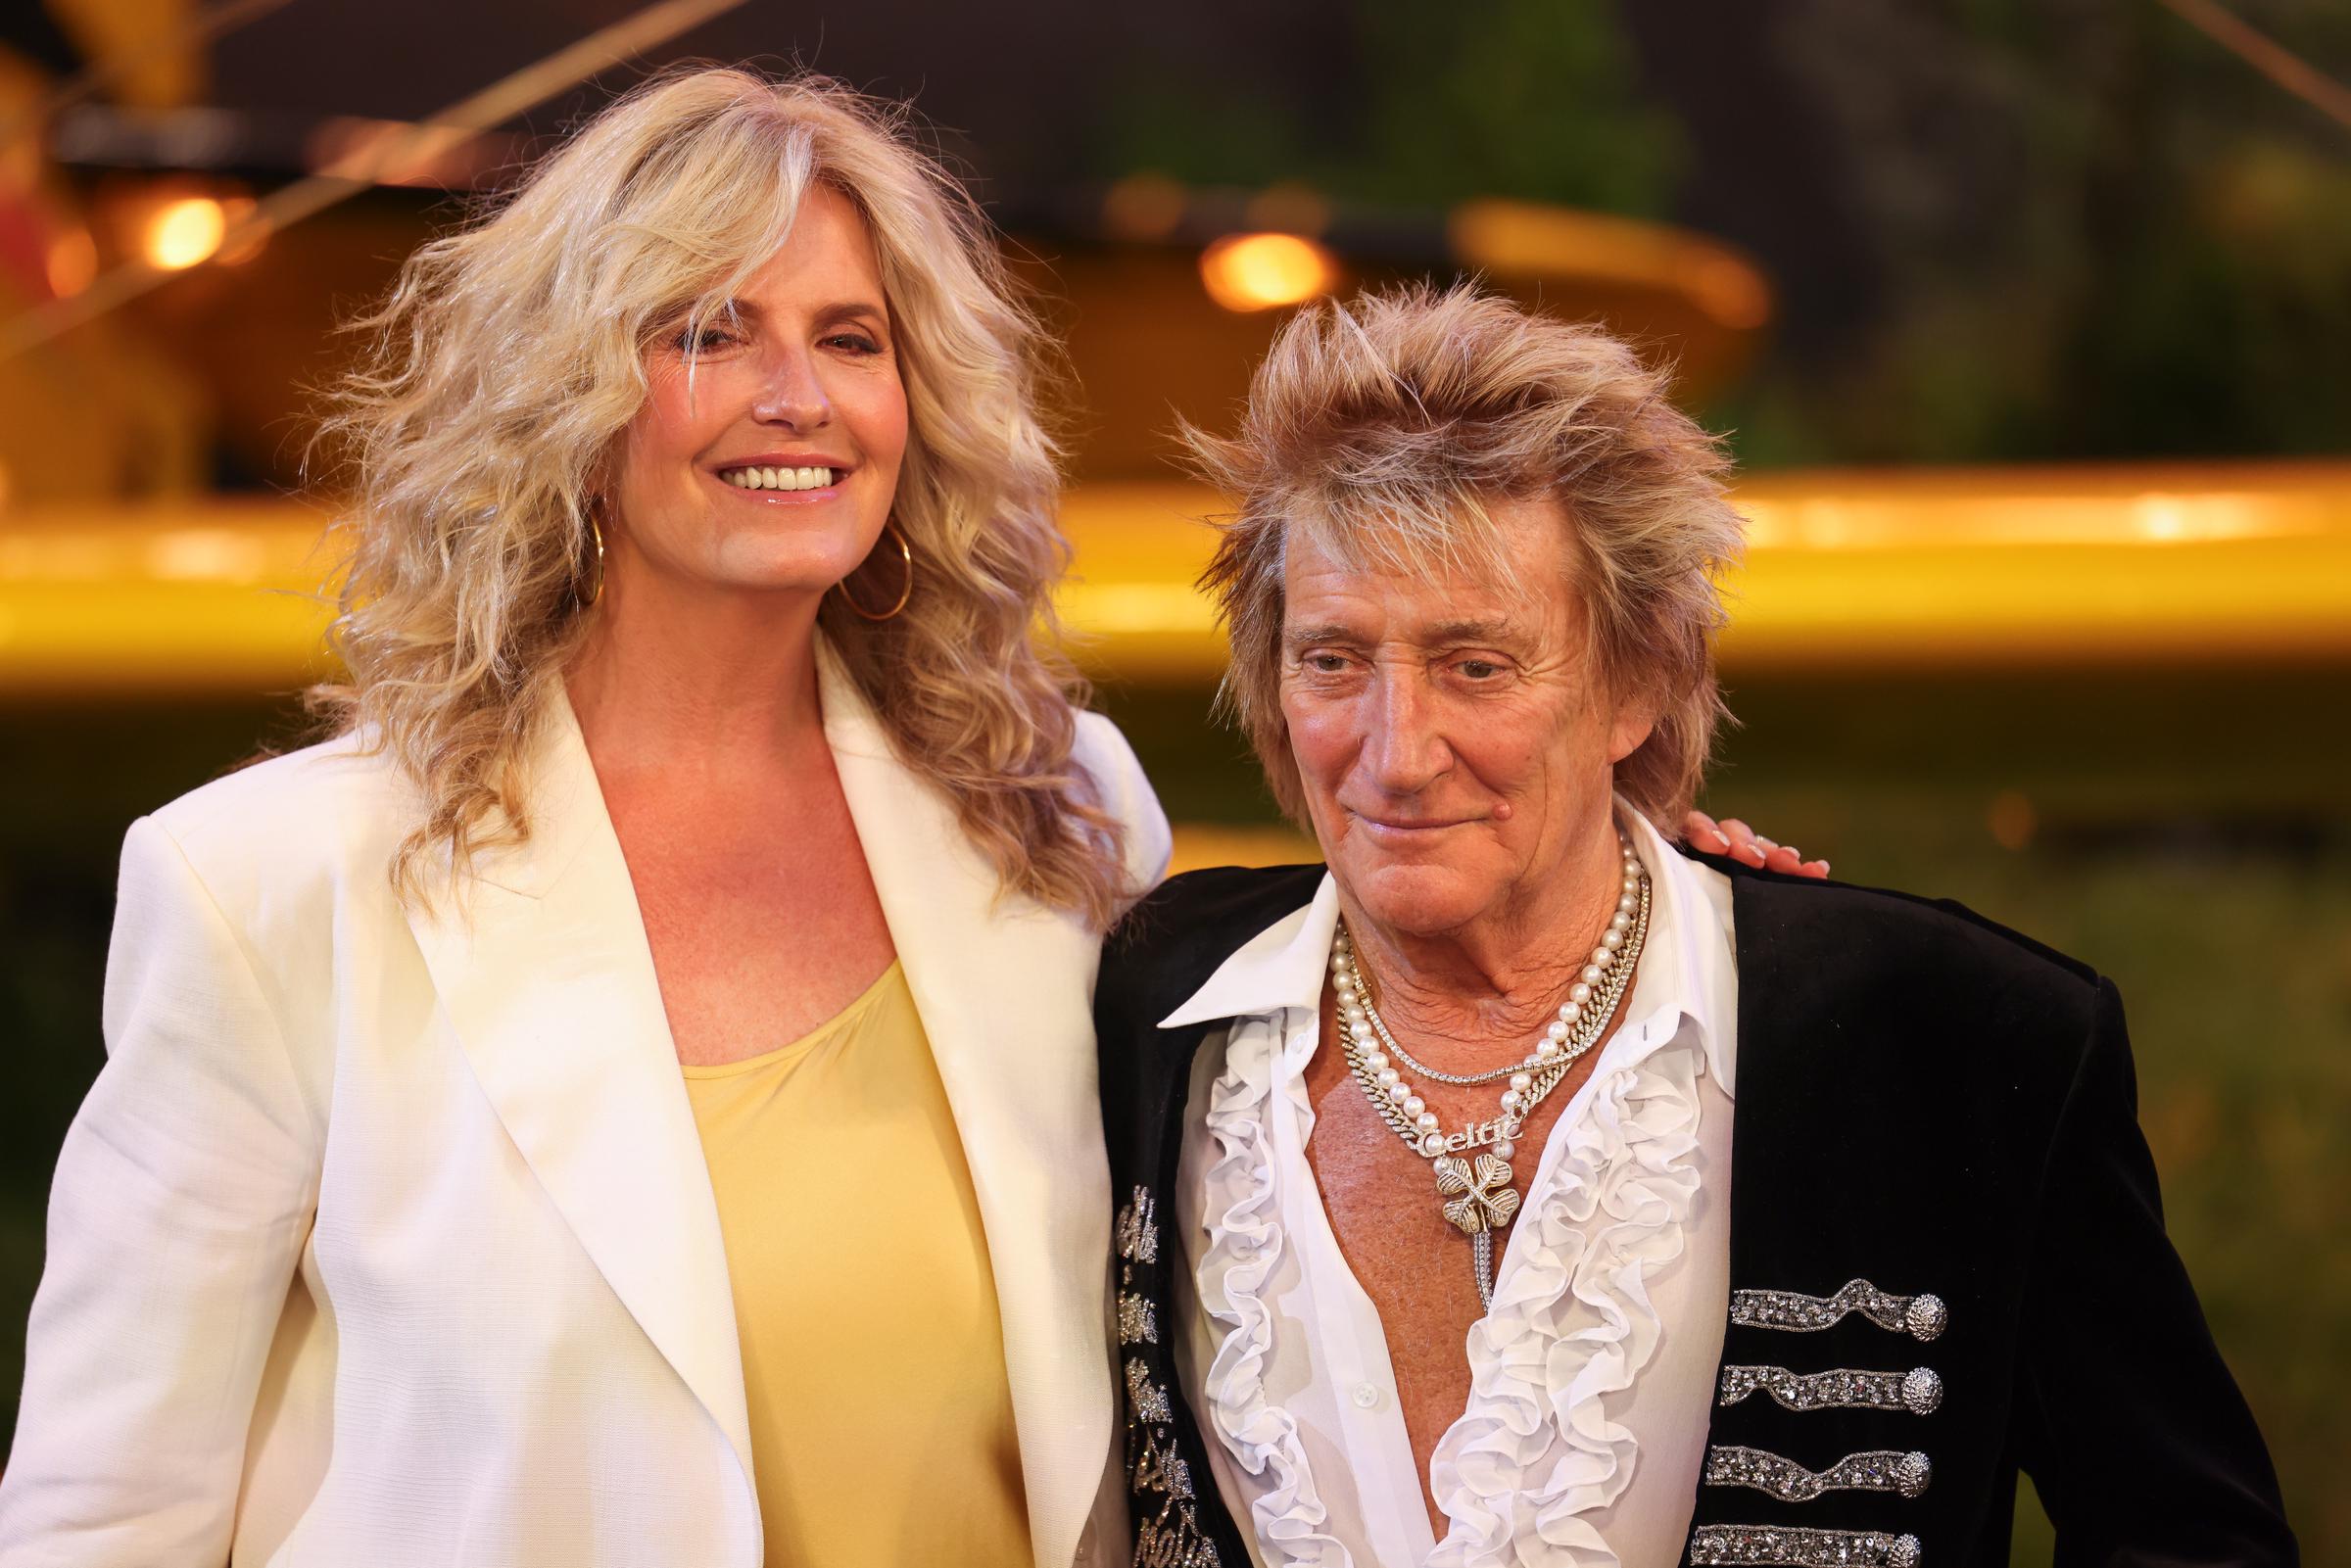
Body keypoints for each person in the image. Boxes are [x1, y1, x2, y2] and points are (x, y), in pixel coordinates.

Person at [0, 70, 1170, 1567]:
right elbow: (103, 1516)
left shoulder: (1064, 809)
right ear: (567, 396)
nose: (797, 395)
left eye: (850, 339)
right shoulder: (272, 882)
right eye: (706, 332)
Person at [1092, 284, 2295, 1568]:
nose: (1395, 754)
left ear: (1638, 684)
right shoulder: (1142, 1001)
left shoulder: (1958, 1040)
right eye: (1334, 658)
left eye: (1476, 665)